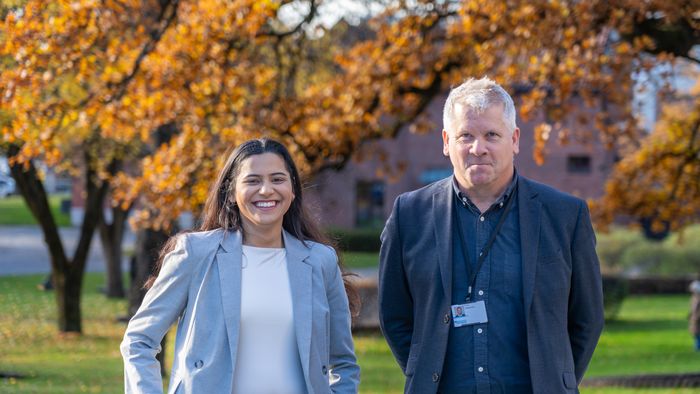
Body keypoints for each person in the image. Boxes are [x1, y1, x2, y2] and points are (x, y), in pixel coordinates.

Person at [378, 77, 605, 393]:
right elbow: (394, 316)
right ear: (446, 141)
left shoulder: (565, 215)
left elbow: (587, 319)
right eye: (465, 136)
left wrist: (555, 378)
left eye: (491, 135)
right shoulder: (409, 215)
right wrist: (425, 368)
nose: (478, 148)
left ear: (514, 139)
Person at [121, 138, 360, 393]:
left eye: (277, 179)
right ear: (232, 192)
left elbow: (343, 362)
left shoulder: (320, 261)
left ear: (293, 190)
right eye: (253, 180)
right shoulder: (195, 253)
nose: (266, 190)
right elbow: (139, 341)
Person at [689, 280, 700, 351]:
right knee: (695, 334)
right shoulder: (694, 297)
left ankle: (697, 348)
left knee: (698, 334)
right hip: (694, 319)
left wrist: (697, 317)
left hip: (698, 319)